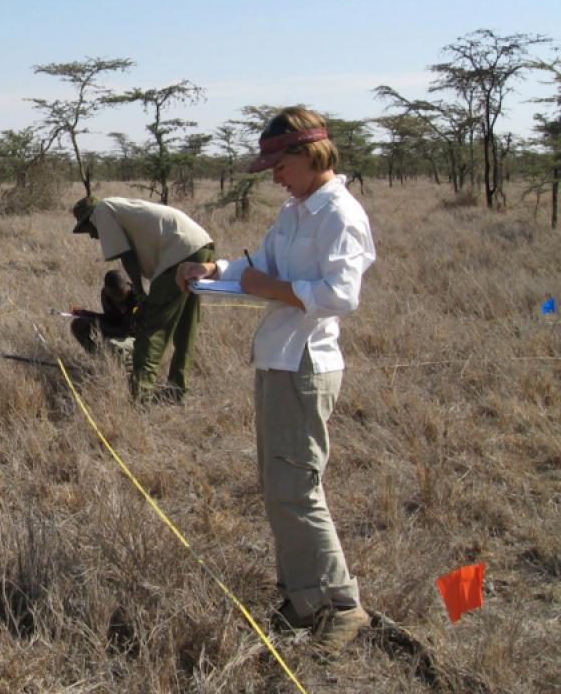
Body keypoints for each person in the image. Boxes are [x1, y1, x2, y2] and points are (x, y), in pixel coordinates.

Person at [175, 106, 376, 655]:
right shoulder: (296, 209)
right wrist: (214, 271)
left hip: (307, 363)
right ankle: (301, 597)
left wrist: (268, 288)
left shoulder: (339, 213)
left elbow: (341, 294)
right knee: (277, 487)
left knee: (298, 488)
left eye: (278, 164)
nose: (273, 176)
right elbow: (259, 265)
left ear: (307, 155)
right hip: (276, 359)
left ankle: (341, 605)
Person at [71, 196, 215, 403]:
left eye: (88, 229)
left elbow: (126, 256)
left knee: (152, 331)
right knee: (185, 328)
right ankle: (177, 390)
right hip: (202, 246)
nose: (92, 236)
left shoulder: (102, 211)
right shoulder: (120, 206)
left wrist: (140, 293)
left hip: (178, 254)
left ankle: (141, 398)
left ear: (90, 218)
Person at [69, 269, 140, 355]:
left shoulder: (137, 299)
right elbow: (110, 319)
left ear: (126, 287)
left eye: (121, 293)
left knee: (111, 344)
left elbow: (123, 332)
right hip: (118, 331)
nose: (117, 298)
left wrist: (96, 324)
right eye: (114, 294)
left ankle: (128, 362)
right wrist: (86, 313)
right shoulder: (106, 295)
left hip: (137, 338)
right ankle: (97, 357)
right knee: (78, 325)